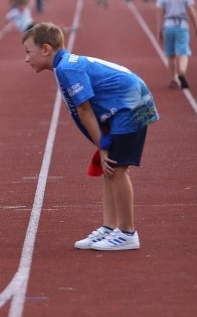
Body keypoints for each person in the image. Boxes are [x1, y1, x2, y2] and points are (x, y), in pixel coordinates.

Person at [22, 22, 159, 251]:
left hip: (131, 105)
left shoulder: (67, 69)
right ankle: (110, 227)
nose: (26, 59)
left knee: (116, 167)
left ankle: (127, 232)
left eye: (28, 52)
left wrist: (103, 145)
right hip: (123, 105)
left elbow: (84, 109)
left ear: (46, 49)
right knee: (109, 169)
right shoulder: (65, 66)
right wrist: (102, 143)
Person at [156, 0, 197, 89]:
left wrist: (158, 30)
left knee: (170, 54)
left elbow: (159, 14)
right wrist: (196, 27)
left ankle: (173, 79)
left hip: (168, 26)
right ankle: (181, 71)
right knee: (183, 52)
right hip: (182, 26)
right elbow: (191, 12)